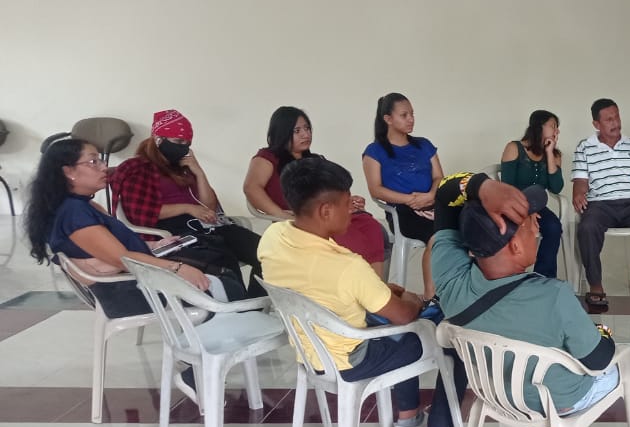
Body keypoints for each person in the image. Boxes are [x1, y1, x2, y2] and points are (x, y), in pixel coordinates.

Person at [427, 169, 630, 427]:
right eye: (531, 223)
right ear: (514, 247)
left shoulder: (451, 279)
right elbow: (597, 361)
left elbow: (444, 197)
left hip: (497, 393)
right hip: (560, 399)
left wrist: (481, 186)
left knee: (532, 357)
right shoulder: (553, 296)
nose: (538, 227)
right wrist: (602, 333)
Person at [258, 158, 454, 427]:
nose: (352, 208)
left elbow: (325, 288)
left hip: (310, 349)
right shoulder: (348, 267)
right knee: (439, 328)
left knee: (385, 316)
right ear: (325, 211)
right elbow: (404, 315)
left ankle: (409, 417)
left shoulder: (273, 237)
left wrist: (383, 292)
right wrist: (415, 300)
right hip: (352, 359)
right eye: (346, 202)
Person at [26, 134, 245, 318]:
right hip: (127, 292)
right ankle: (215, 347)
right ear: (69, 172)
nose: (104, 167)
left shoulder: (80, 205)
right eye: (93, 162)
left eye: (101, 160)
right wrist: (178, 268)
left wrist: (155, 245)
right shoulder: (74, 214)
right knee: (226, 283)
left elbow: (112, 249)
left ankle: (219, 340)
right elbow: (123, 259)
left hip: (135, 280)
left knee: (218, 263)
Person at [111, 109, 266, 295]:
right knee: (224, 260)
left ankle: (256, 305)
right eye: (178, 142)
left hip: (209, 226)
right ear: (158, 139)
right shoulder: (137, 168)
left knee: (268, 255)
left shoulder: (183, 168)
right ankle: (240, 306)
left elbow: (209, 206)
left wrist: (198, 172)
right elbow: (140, 213)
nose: (183, 148)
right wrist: (187, 208)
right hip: (175, 230)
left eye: (187, 144)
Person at [243, 106, 388, 276]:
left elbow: (333, 191)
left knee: (371, 226)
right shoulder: (268, 158)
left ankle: (377, 283)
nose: (306, 134)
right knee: (348, 238)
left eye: (307, 128)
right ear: (282, 132)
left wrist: (348, 202)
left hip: (329, 215)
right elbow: (251, 188)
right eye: (297, 131)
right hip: (304, 221)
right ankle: (357, 283)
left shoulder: (316, 160)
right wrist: (281, 215)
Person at [572, 98, 630, 306]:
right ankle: (595, 284)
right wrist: (578, 193)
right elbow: (580, 181)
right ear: (596, 124)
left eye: (617, 117)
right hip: (600, 204)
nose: (615, 123)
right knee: (587, 228)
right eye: (609, 119)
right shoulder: (585, 147)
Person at [362, 93, 445, 298]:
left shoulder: (424, 145)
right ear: (388, 119)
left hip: (433, 202)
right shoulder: (375, 151)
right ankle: (431, 296)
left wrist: (431, 195)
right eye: (404, 115)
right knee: (438, 236)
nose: (411, 119)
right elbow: (375, 189)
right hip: (402, 211)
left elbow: (439, 177)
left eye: (412, 114)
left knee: (466, 225)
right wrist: (412, 200)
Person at [499, 109, 565, 279]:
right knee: (510, 229)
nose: (557, 131)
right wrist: (527, 210)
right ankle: (508, 276)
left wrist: (549, 154)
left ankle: (543, 277)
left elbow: (556, 188)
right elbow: (507, 187)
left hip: (538, 207)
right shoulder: (514, 148)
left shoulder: (555, 155)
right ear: (539, 127)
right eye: (553, 126)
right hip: (512, 205)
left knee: (553, 227)